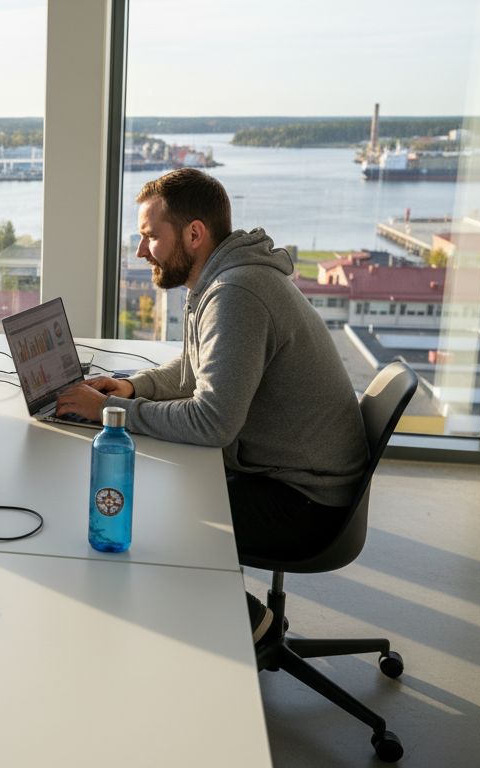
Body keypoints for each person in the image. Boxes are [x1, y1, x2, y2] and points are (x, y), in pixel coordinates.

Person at [54, 168, 368, 643]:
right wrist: (131, 389)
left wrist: (108, 413)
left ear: (194, 234)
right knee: (163, 483)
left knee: (153, 512)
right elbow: (193, 370)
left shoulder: (236, 294)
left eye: (150, 236)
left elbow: (211, 423)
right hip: (294, 473)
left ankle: (252, 628)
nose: (141, 252)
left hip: (307, 503)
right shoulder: (224, 278)